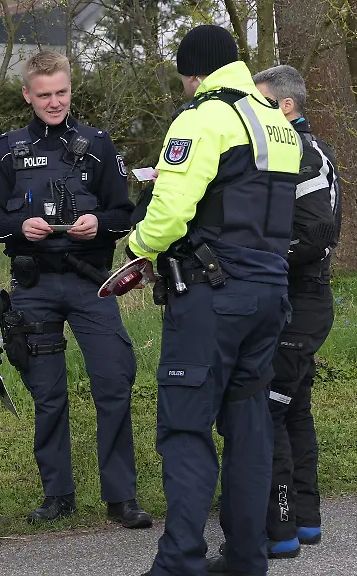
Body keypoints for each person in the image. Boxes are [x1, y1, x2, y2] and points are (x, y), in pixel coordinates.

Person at [125, 25, 303, 576]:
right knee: (249, 427)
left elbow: (172, 210)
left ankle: (179, 562)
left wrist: (137, 246)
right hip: (270, 292)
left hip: (211, 296)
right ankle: (248, 559)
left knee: (185, 428)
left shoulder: (203, 117)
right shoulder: (278, 122)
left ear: (192, 69)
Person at [0, 50, 151, 530]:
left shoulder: (97, 144)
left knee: (113, 385)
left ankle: (122, 498)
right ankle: (57, 495)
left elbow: (125, 215)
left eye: (62, 92)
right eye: (44, 95)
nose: (54, 102)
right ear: (27, 95)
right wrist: (21, 227)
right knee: (48, 394)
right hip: (33, 287)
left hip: (89, 284)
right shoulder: (8, 149)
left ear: (70, 89)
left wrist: (98, 224)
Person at [249, 64, 342, 559]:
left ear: (286, 106)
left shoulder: (303, 152)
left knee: (270, 412)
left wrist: (255, 259)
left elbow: (317, 234)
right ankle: (305, 523)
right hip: (299, 300)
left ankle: (280, 530)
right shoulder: (295, 151)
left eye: (261, 104)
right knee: (295, 411)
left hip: (301, 302)